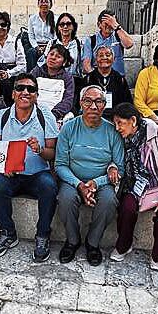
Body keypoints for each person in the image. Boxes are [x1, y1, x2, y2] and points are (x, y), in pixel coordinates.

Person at [0, 73, 59, 263]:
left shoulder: (45, 116)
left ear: (36, 95)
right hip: (12, 174)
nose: (25, 92)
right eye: (20, 88)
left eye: (31, 89)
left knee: (49, 186)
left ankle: (43, 236)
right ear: (13, 93)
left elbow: (53, 152)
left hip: (37, 173)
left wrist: (40, 150)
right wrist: (1, 168)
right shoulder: (1, 116)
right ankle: (8, 233)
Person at [55, 85, 124, 266]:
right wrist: (79, 185)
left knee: (109, 201)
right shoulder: (69, 128)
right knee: (65, 199)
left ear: (104, 105)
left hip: (102, 181)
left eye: (98, 101)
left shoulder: (112, 131)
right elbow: (60, 165)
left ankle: (93, 243)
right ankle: (72, 240)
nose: (93, 106)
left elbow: (120, 168)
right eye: (88, 101)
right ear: (80, 103)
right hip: (73, 180)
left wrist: (96, 183)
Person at [109, 102, 158, 270]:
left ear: (133, 120)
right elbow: (112, 156)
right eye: (115, 123)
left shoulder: (157, 133)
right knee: (126, 208)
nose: (117, 128)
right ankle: (124, 244)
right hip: (135, 184)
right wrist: (112, 166)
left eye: (120, 123)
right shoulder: (120, 137)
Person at [0, 11, 26, 105]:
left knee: (8, 84)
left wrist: (8, 73)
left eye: (3, 24)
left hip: (12, 74)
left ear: (8, 26)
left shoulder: (16, 41)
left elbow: (22, 66)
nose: (0, 27)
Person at [85, 45, 133, 120]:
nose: (104, 58)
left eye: (108, 55)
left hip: (115, 118)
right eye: (100, 55)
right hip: (93, 117)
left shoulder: (120, 79)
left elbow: (127, 103)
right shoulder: (88, 79)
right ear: (95, 60)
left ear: (113, 59)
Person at [81, 10, 135, 76]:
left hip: (117, 78)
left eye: (111, 23)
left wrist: (117, 27)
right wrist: (97, 77)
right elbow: (86, 65)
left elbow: (129, 44)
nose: (109, 26)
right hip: (97, 78)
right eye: (106, 24)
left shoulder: (119, 36)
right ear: (99, 25)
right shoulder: (91, 40)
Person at [31, 43, 75, 121]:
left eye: (58, 56)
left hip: (56, 116)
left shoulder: (67, 77)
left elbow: (68, 100)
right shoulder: (36, 72)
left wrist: (53, 115)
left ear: (64, 62)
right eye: (51, 54)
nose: (53, 58)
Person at [44, 12, 81, 76]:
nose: (65, 27)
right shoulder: (52, 43)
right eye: (62, 24)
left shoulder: (79, 44)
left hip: (74, 79)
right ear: (58, 27)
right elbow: (45, 63)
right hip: (54, 79)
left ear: (73, 26)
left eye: (68, 24)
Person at [27, 0, 56, 70]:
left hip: (51, 46)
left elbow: (56, 37)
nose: (44, 4)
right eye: (41, 2)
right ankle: (32, 76)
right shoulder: (32, 19)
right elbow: (31, 36)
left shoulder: (55, 19)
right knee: (30, 52)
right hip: (36, 46)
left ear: (50, 5)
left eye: (46, 2)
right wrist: (37, 47)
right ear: (38, 4)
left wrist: (47, 48)